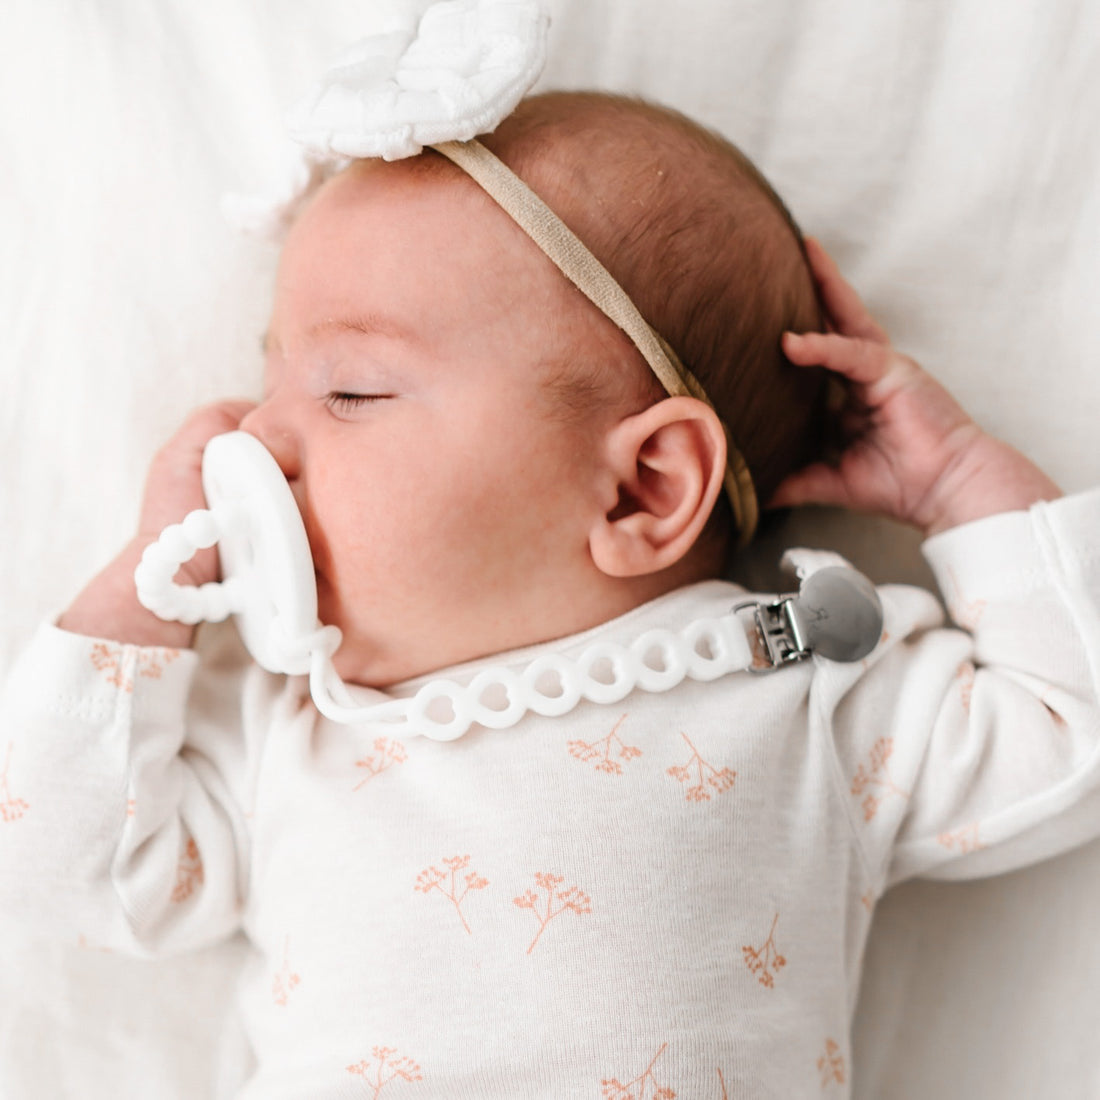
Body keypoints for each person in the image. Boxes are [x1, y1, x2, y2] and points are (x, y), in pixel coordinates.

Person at [1, 92, 1096, 1098]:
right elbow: (64, 859)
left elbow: (1069, 724)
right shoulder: (291, 729)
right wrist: (149, 583)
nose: (253, 436)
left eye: (350, 389)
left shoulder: (802, 692)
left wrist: (958, 482)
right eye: (273, 374)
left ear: (641, 488)